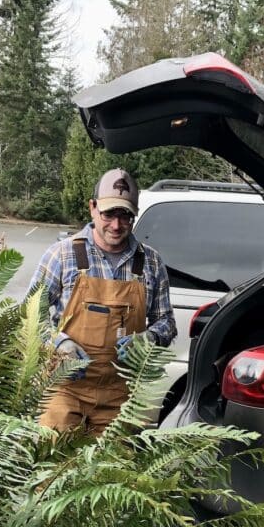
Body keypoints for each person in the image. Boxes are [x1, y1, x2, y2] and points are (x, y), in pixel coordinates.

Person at [28, 168, 177, 435]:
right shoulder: (62, 255)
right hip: (65, 390)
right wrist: (59, 342)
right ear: (93, 208)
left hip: (121, 396)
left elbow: (166, 322)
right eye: (109, 214)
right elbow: (27, 316)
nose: (117, 226)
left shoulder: (151, 262)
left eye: (125, 216)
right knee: (52, 466)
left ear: (134, 215)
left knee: (114, 472)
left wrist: (148, 340)